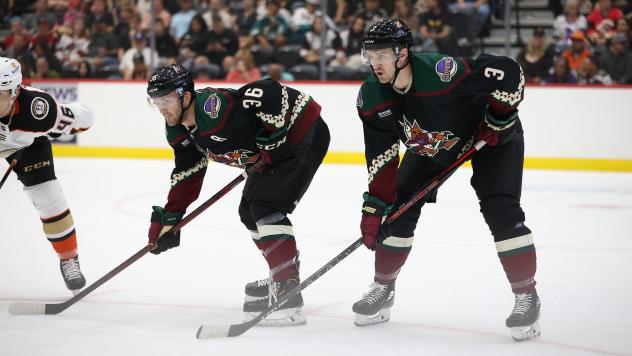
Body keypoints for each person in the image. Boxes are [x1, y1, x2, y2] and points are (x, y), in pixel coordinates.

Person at [353, 19, 540, 342]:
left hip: (489, 138)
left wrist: (498, 117)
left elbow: (509, 71)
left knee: (501, 211)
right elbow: (381, 160)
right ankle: (383, 289)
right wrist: (374, 209)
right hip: (434, 146)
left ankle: (527, 296)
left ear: (403, 54)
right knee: (397, 209)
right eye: (371, 55)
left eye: (382, 55)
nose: (375, 63)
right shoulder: (372, 97)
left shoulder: (441, 71)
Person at [145, 64, 329, 326]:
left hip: (302, 133)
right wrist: (171, 217)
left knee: (265, 205)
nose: (161, 108)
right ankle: (282, 274)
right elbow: (188, 171)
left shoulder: (212, 108)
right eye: (156, 102)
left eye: (166, 100)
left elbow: (266, 88)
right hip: (277, 153)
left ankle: (288, 293)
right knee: (248, 212)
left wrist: (272, 136)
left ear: (185, 97)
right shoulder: (177, 130)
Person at [0, 57, 95, 294]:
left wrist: (75, 118)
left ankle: (69, 259)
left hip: (27, 147)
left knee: (49, 199)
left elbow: (84, 118)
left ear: (15, 92)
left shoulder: (38, 110)